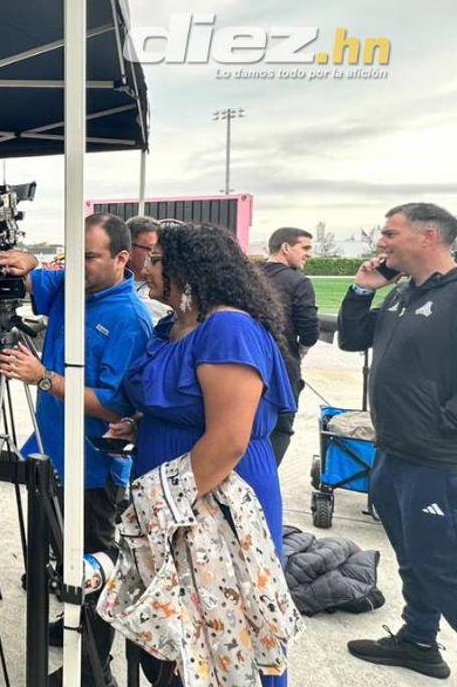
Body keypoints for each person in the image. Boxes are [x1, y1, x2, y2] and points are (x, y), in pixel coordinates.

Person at [109, 222, 296, 687]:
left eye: (155, 261)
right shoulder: (170, 325)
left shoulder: (228, 328)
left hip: (215, 498)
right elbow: (185, 403)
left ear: (187, 270)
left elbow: (229, 438)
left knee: (227, 622)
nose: (144, 267)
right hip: (175, 499)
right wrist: (141, 425)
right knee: (180, 627)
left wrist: (166, 505)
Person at [0, 213, 153, 681]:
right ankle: (68, 623)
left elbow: (115, 405)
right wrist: (26, 263)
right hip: (49, 453)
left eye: (90, 256)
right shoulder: (71, 285)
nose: (78, 266)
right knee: (53, 559)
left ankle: (91, 668)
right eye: (74, 255)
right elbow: (34, 276)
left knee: (93, 568)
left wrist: (44, 378)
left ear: (122, 259)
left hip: (93, 467)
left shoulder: (129, 317)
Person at [339, 203, 457, 681]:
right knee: (413, 554)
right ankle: (419, 641)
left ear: (428, 236)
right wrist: (359, 292)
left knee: (442, 565)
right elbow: (351, 340)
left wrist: (444, 420)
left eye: (390, 233)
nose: (380, 243)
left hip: (437, 458)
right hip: (392, 449)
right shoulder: (401, 294)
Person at [261, 226, 319, 465]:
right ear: (285, 248)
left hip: (244, 365)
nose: (310, 254)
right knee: (279, 431)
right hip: (282, 370)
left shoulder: (247, 274)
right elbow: (309, 331)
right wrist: (303, 347)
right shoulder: (299, 282)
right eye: (305, 248)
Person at [125, 215, 170, 325]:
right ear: (129, 250)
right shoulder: (114, 285)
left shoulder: (169, 284)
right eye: (151, 249)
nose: (157, 254)